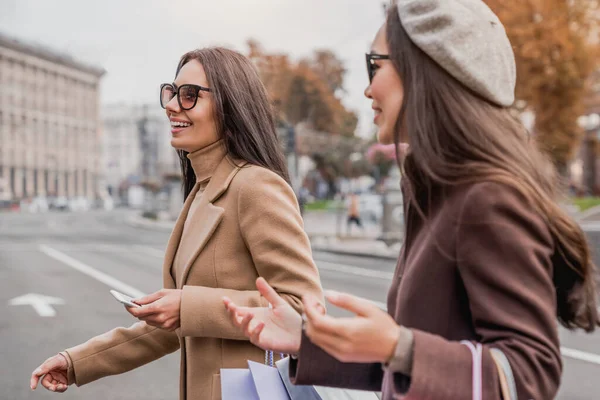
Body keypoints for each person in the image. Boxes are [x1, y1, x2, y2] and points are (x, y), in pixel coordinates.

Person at [223, 1, 600, 399]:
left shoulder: (486, 198)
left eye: (375, 65)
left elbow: (530, 373)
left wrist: (397, 346)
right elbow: (408, 366)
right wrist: (308, 342)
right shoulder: (436, 194)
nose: (367, 88)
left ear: (425, 69)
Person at [30, 47, 323, 400]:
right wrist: (76, 362)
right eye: (172, 92)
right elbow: (174, 326)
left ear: (230, 106)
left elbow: (301, 310)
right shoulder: (201, 192)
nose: (171, 105)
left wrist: (188, 306)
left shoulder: (255, 186)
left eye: (189, 96)